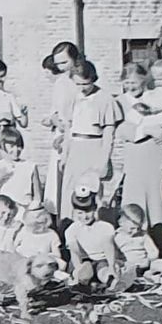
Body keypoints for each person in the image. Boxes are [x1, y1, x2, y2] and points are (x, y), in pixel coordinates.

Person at [59, 59, 123, 223]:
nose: (82, 88)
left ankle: (94, 229)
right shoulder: (72, 98)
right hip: (75, 147)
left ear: (93, 79)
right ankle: (69, 229)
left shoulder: (105, 99)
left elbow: (109, 133)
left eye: (85, 84)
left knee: (92, 189)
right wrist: (64, 154)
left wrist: (103, 160)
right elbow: (68, 129)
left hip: (94, 146)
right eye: (78, 84)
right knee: (70, 190)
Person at [116, 63, 162, 232]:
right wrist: (147, 130)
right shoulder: (119, 102)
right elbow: (122, 130)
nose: (130, 86)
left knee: (158, 196)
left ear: (143, 80)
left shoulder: (156, 97)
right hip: (134, 157)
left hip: (155, 154)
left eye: (134, 82)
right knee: (135, 196)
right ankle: (135, 238)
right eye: (126, 82)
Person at [43, 42, 80, 218]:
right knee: (61, 180)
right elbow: (57, 112)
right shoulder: (61, 83)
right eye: (58, 64)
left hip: (82, 135)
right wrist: (57, 123)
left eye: (64, 63)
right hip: (64, 134)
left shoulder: (82, 80)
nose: (61, 68)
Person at [64, 188, 119, 288]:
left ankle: (111, 280)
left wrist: (111, 266)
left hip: (101, 261)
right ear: (74, 212)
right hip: (83, 261)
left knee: (103, 272)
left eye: (88, 212)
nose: (85, 217)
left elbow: (108, 246)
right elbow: (74, 252)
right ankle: (82, 281)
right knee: (85, 271)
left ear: (95, 209)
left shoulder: (105, 227)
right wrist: (78, 269)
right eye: (80, 213)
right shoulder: (71, 230)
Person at [0, 128, 41, 221]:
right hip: (3, 215)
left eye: (19, 146)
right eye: (11, 146)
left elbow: (37, 197)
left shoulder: (30, 166)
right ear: (2, 146)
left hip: (24, 213)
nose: (16, 150)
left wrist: (30, 210)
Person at [114, 204, 162, 278]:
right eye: (132, 228)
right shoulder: (117, 237)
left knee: (160, 265)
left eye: (138, 228)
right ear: (121, 223)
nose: (135, 231)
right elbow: (115, 254)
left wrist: (149, 259)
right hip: (127, 265)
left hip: (144, 265)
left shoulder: (142, 235)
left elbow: (153, 251)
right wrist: (121, 262)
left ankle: (151, 275)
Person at [13, 204, 67, 273]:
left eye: (42, 223)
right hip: (24, 262)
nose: (39, 226)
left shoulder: (51, 234)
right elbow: (14, 248)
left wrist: (45, 256)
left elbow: (57, 255)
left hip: (42, 263)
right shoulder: (24, 231)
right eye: (36, 223)